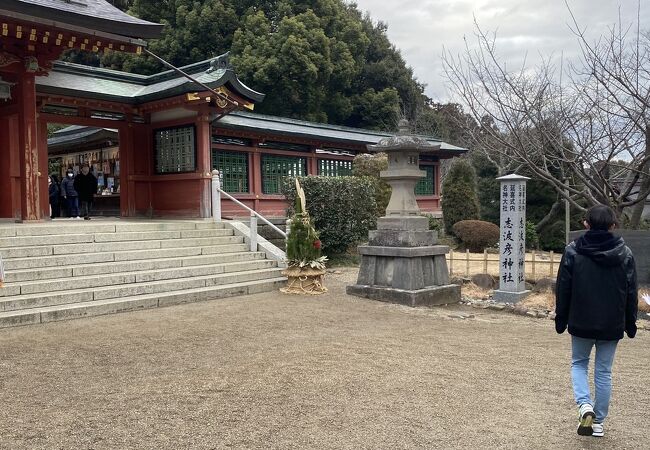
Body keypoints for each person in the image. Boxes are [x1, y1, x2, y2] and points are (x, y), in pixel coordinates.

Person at [555, 204, 637, 438]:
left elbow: (563, 288)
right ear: (613, 225)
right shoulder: (625, 253)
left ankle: (585, 406)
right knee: (603, 372)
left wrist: (561, 319)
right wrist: (630, 323)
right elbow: (630, 291)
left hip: (581, 319)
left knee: (579, 364)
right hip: (612, 322)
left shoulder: (573, 251)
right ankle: (598, 422)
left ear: (586, 224)